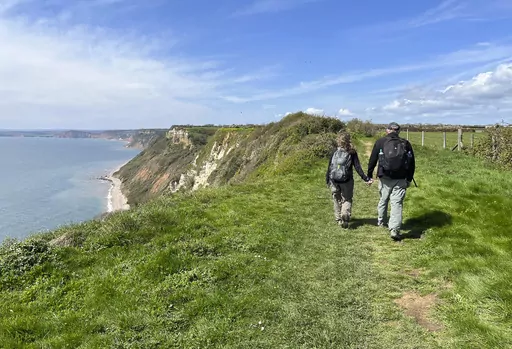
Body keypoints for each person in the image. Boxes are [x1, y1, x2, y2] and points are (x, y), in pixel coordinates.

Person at [367, 122, 415, 241]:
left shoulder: (380, 142)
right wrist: (409, 179)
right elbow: (412, 163)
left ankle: (381, 221)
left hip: (385, 176)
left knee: (383, 199)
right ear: (398, 131)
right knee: (397, 203)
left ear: (387, 130)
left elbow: (373, 159)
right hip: (401, 178)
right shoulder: (406, 143)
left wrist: (369, 175)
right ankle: (394, 229)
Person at [326, 132, 373, 229]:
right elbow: (357, 167)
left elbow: (330, 166)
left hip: (334, 180)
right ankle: (345, 215)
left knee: (336, 198)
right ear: (349, 140)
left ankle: (338, 219)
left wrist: (327, 179)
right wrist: (366, 178)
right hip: (347, 180)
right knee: (346, 199)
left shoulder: (334, 150)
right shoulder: (352, 152)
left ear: (338, 140)